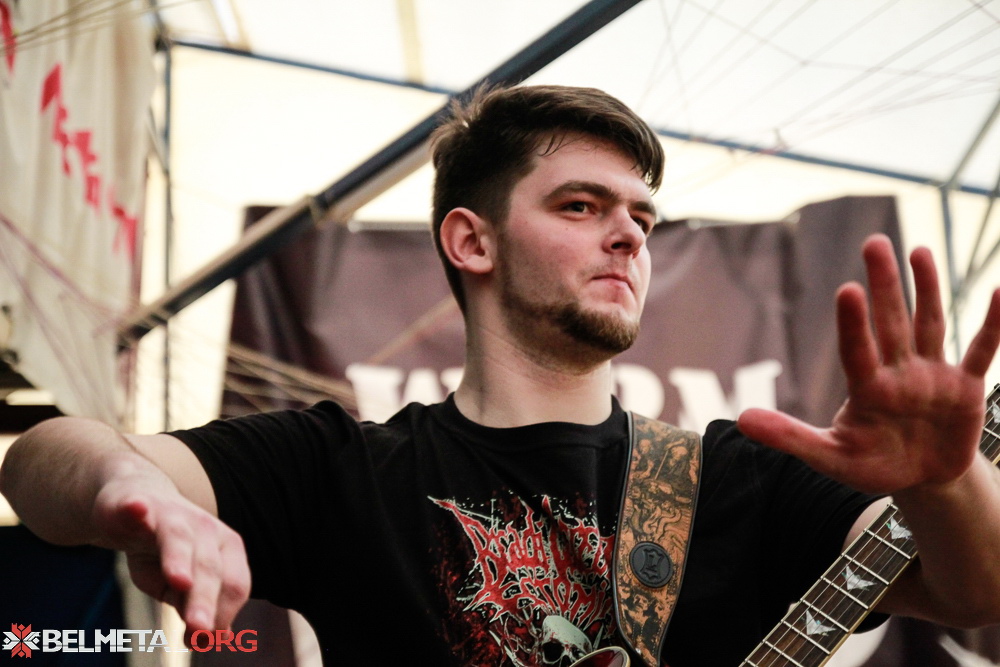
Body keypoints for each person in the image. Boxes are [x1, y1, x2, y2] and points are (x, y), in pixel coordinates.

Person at [3, 84, 1000, 667]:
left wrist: (944, 479)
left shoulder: (738, 474)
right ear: (471, 241)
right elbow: (40, 461)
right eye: (580, 205)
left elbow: (974, 595)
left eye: (642, 217)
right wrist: (131, 485)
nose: (628, 235)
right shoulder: (341, 466)